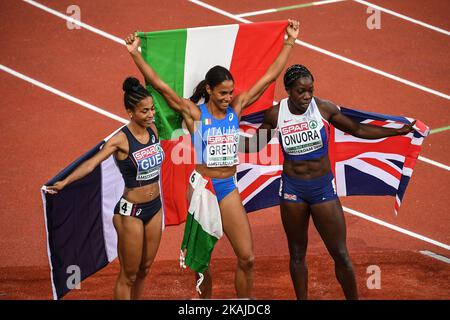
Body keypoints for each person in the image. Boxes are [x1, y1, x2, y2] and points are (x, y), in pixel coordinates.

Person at [125, 19, 300, 298]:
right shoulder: (194, 113)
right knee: (202, 263)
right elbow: (159, 86)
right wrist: (135, 53)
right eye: (222, 93)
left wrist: (289, 41)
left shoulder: (236, 108)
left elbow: (268, 77)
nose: (228, 97)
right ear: (208, 89)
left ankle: (244, 302)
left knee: (247, 257)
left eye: (230, 92)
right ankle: (204, 302)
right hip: (202, 189)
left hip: (228, 187)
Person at [242, 64, 416, 300]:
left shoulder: (323, 109)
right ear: (288, 91)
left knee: (341, 254)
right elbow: (255, 145)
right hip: (293, 190)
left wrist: (395, 132)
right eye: (300, 91)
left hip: (322, 188)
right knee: (296, 254)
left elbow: (356, 129)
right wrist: (224, 143)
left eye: (310, 90)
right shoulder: (275, 115)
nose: (306, 96)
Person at [46, 77, 165, 300]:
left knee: (145, 269)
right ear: (130, 112)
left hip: (155, 208)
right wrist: (65, 181)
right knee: (128, 275)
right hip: (132, 212)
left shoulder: (154, 131)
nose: (150, 115)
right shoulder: (121, 139)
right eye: (144, 111)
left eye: (151, 110)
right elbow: (92, 163)